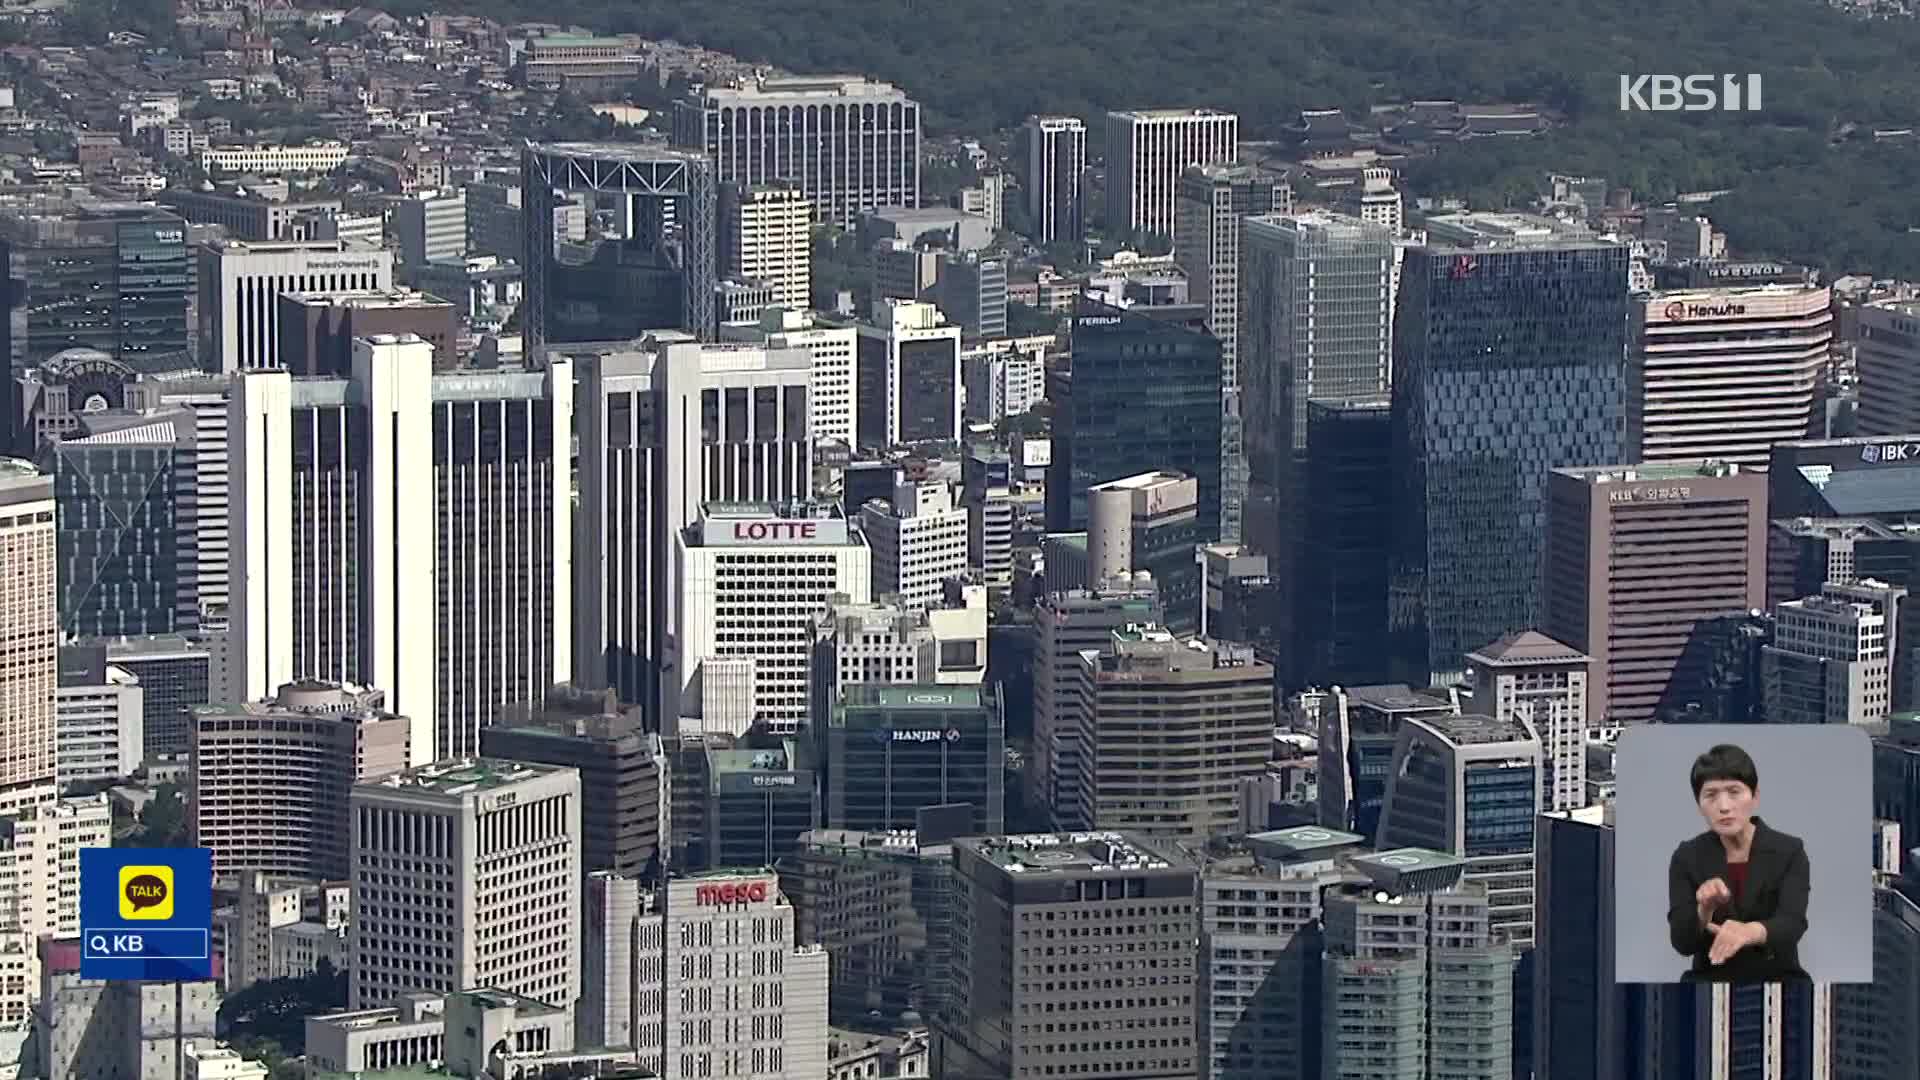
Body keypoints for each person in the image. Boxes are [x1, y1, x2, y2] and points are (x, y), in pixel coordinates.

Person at [1666, 743, 1811, 982]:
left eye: (1734, 792)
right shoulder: (1686, 857)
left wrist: (1747, 932)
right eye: (1710, 795)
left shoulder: (1789, 851)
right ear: (1699, 804)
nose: (1723, 807)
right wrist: (1703, 910)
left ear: (1755, 797)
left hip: (1778, 977)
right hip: (1711, 979)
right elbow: (1682, 943)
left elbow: (1792, 923)